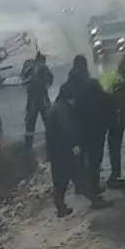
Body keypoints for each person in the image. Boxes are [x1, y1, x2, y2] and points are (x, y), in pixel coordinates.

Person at [66, 54, 113, 207]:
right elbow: (106, 102)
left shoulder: (69, 86)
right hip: (95, 129)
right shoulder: (92, 85)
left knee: (81, 159)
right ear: (85, 67)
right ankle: (94, 192)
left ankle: (81, 186)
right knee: (94, 161)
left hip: (78, 130)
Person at [100, 54, 125, 186]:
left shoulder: (114, 79)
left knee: (116, 144)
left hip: (117, 117)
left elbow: (105, 95)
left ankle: (116, 172)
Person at [46, 82, 81, 217]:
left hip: (56, 151)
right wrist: (74, 145)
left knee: (61, 181)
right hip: (63, 151)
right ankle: (94, 199)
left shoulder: (56, 107)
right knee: (72, 177)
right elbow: (66, 129)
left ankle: (61, 207)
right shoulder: (62, 110)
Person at [21, 51, 53, 148]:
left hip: (37, 100)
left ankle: (29, 144)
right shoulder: (33, 68)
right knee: (33, 124)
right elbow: (50, 80)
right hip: (37, 101)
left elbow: (50, 79)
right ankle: (30, 144)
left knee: (37, 124)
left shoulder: (37, 69)